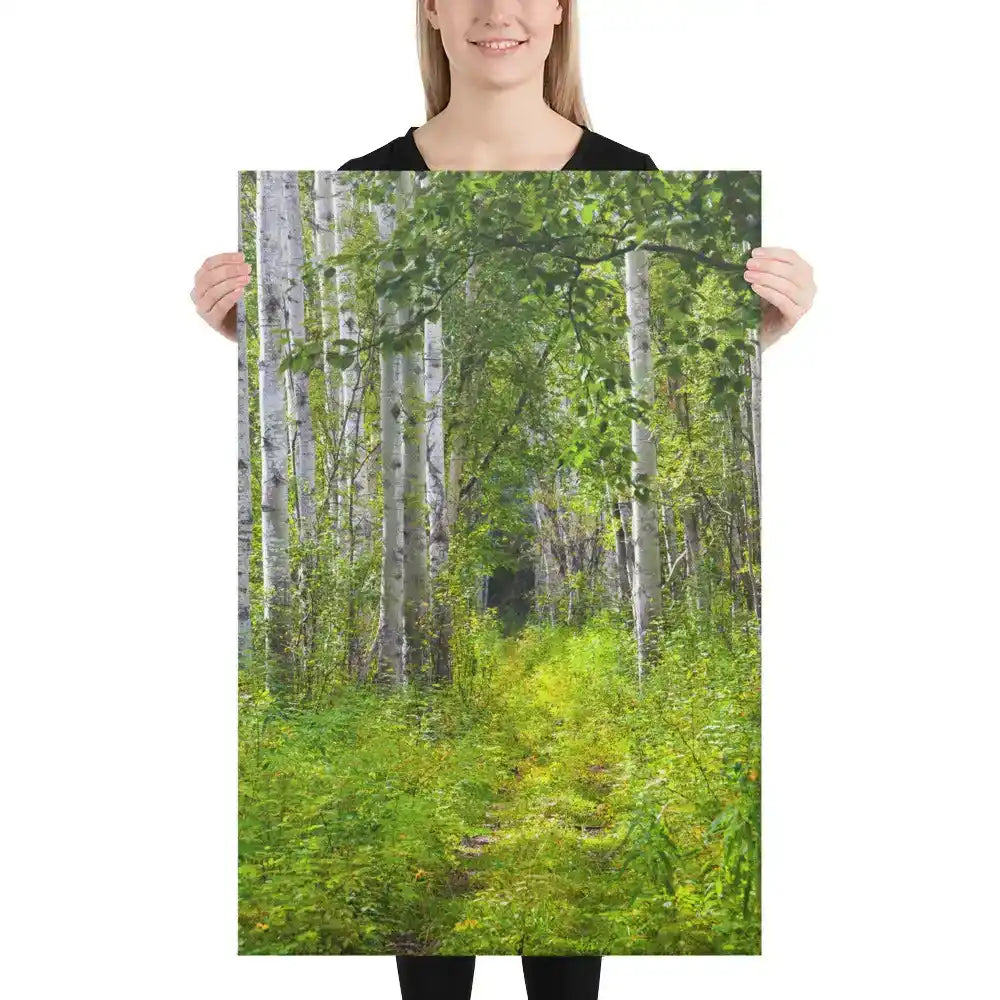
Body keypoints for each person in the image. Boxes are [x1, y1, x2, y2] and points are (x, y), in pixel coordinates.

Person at [192, 2, 816, 997]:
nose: (498, 10)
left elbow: (663, 400)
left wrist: (759, 337)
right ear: (430, 11)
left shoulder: (633, 180)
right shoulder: (362, 188)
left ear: (562, 10)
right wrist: (255, 340)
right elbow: (336, 385)